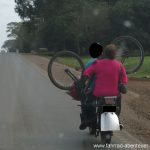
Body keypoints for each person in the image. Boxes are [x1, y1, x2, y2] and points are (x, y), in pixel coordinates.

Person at [79, 44, 128, 130]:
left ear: (104, 54)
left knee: (88, 102)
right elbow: (124, 80)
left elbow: (86, 74)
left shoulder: (97, 64)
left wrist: (81, 83)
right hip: (114, 94)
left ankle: (88, 120)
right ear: (115, 54)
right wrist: (122, 84)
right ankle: (117, 119)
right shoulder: (119, 65)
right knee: (118, 103)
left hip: (99, 93)